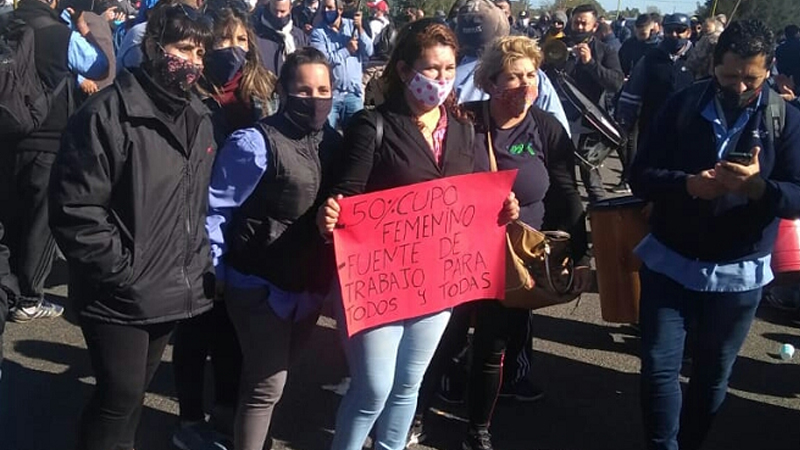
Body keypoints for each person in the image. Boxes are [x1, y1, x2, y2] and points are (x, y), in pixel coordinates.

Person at [317, 18, 519, 450]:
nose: (442, 79)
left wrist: (503, 206)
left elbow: (475, 194)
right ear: (406, 71)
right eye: (431, 69)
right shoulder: (372, 125)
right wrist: (330, 213)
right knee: (373, 388)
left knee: (409, 385)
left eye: (449, 69)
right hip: (376, 282)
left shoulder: (465, 127)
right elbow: (343, 197)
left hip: (437, 282)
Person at [48, 4, 215, 449]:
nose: (193, 60)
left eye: (200, 50)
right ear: (153, 46)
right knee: (118, 397)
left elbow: (191, 203)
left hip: (167, 287)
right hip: (119, 292)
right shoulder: (107, 114)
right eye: (183, 47)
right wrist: (121, 270)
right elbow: (76, 207)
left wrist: (194, 259)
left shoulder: (198, 117)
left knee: (130, 396)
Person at [629, 20, 800, 450]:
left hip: (738, 273)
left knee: (712, 373)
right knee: (658, 365)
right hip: (671, 259)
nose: (739, 86)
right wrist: (687, 184)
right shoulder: (682, 105)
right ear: (713, 65)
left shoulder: (787, 119)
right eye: (729, 76)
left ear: (769, 69)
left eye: (751, 78)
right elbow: (641, 175)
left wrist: (758, 188)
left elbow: (797, 197)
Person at [456, 35, 592, 450]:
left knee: (493, 345)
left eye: (532, 75)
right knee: (446, 339)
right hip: (460, 249)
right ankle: (418, 413)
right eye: (513, 77)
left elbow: (567, 194)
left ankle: (476, 430)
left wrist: (580, 254)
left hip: (516, 257)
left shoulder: (547, 128)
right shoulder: (462, 119)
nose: (525, 85)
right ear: (490, 81)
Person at [206, 46, 341, 450]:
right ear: (283, 90)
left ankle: (240, 430)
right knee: (267, 384)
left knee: (273, 380)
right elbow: (217, 209)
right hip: (258, 281)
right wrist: (213, 269)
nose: (315, 99)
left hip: (307, 286)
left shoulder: (335, 142)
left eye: (323, 90)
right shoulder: (255, 143)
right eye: (304, 90)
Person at [169, 4, 277, 449]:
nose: (231, 50)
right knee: (195, 327)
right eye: (220, 41)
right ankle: (190, 418)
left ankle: (227, 411)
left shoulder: (264, 94)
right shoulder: (187, 95)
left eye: (240, 41)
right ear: (203, 47)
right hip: (193, 227)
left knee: (235, 332)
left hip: (246, 234)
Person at [1, 0, 108, 324]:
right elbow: (98, 66)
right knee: (40, 224)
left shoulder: (6, 24)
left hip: (7, 133)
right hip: (47, 138)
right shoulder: (60, 35)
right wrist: (87, 34)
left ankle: (6, 287)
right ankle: (29, 297)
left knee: (9, 217)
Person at [615, 13, 694, 194]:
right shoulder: (650, 59)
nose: (674, 35)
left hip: (688, 131)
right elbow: (632, 92)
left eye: (680, 30)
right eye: (669, 30)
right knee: (650, 178)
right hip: (653, 127)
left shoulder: (698, 58)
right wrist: (624, 121)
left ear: (688, 32)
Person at [561, 3, 624, 204]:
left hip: (591, 123)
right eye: (576, 23)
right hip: (560, 119)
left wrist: (590, 63)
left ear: (594, 27)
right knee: (561, 178)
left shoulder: (606, 51)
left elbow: (615, 82)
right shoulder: (559, 46)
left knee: (591, 179)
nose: (579, 27)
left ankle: (602, 221)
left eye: (584, 24)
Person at [310, 0, 373, 129]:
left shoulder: (352, 27)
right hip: (331, 95)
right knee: (326, 136)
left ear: (340, 10)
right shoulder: (318, 33)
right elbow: (324, 60)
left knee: (356, 136)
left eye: (330, 7)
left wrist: (360, 29)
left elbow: (369, 51)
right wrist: (346, 50)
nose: (326, 11)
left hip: (353, 94)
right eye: (324, 8)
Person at [253, 0, 307, 77]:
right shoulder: (256, 36)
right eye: (275, 11)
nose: (278, 15)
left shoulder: (300, 37)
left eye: (282, 11)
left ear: (290, 8)